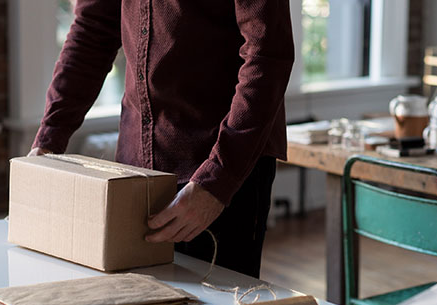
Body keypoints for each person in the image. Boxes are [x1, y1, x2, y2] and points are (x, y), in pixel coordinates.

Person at [28, 0, 294, 278]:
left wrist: (217, 181)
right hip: (135, 168)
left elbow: (267, 56)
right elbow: (92, 30)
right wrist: (48, 141)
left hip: (221, 168)